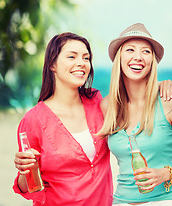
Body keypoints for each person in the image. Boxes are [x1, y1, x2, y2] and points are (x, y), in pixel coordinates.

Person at [13, 32, 113, 205]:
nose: (81, 63)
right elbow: (29, 187)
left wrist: (161, 85)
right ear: (52, 64)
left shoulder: (97, 101)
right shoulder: (33, 120)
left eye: (86, 58)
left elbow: (133, 99)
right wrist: (25, 171)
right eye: (72, 56)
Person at [97, 23, 172, 206]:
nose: (138, 57)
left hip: (166, 200)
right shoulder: (106, 106)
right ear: (119, 57)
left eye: (146, 52)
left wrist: (165, 174)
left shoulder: (168, 101)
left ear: (152, 61)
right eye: (130, 50)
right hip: (120, 201)